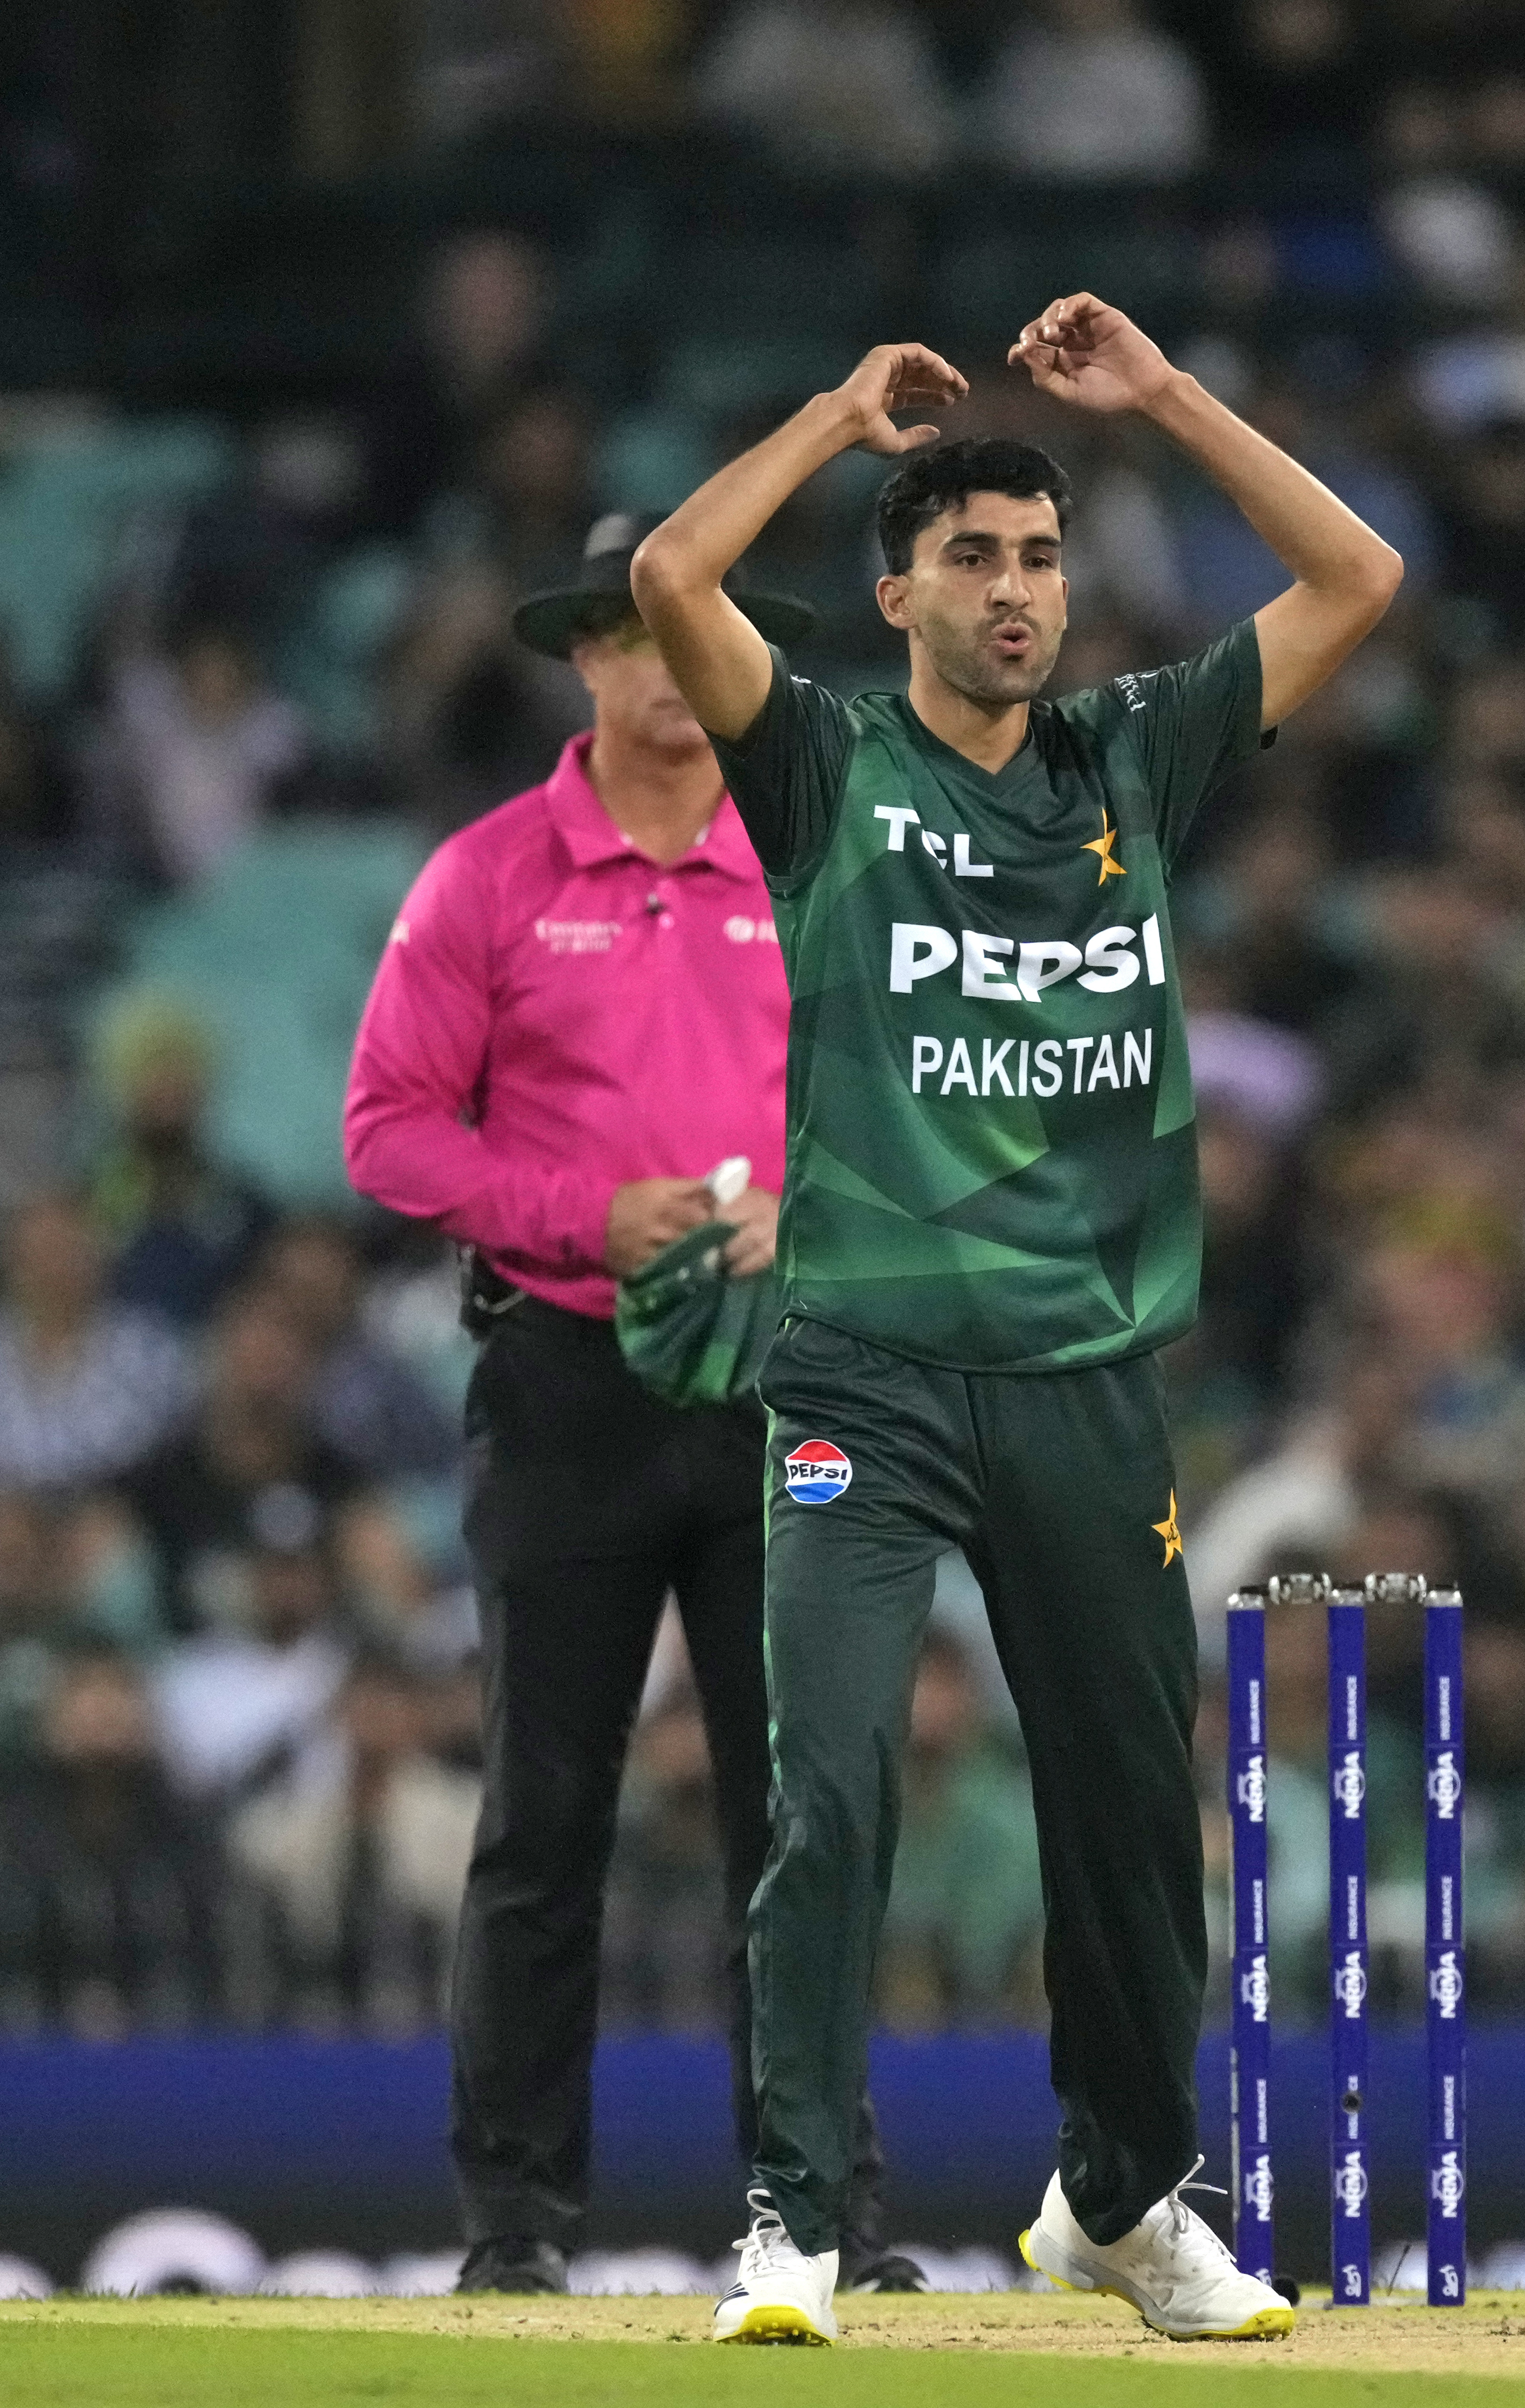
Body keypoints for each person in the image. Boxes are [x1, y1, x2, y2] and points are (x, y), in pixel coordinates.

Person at [631, 290, 1402, 2346]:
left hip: (1082, 1379)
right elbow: (674, 577)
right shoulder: (823, 761)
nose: (1015, 591)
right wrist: (833, 414)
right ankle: (793, 2221)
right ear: (896, 594)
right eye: (971, 555)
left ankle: (1124, 2200)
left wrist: (1166, 397)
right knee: (835, 1787)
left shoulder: (1135, 750)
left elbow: (1360, 576)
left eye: (1043, 557)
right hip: (863, 1377)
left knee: (1136, 1806)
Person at [343, 514, 911, 2296]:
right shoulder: (490, 878)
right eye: (648, 630)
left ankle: (820, 2219)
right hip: (567, 1376)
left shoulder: (817, 857)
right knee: (544, 1814)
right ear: (589, 655)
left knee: (798, 1818)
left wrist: (807, 1213)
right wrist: (589, 1216)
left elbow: (911, 1104)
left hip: (782, 1378)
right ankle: (515, 2227)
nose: (677, 664)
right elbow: (388, 1131)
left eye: (707, 628)